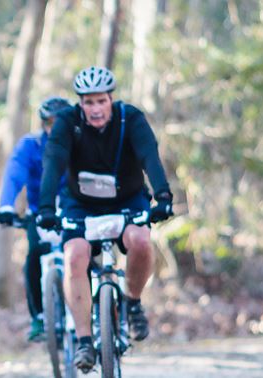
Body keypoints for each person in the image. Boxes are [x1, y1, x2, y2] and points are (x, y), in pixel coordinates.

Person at [34, 66, 177, 372]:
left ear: (111, 99)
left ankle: (133, 303)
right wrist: (45, 208)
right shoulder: (67, 123)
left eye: (101, 101)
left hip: (128, 198)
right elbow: (54, 162)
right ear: (80, 104)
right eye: (89, 102)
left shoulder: (131, 119)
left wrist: (163, 196)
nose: (96, 108)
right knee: (74, 255)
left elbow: (149, 156)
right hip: (81, 204)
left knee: (140, 240)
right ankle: (85, 341)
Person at [0, 96, 77, 342]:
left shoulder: (81, 144)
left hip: (75, 210)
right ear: (43, 124)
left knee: (83, 253)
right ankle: (39, 316)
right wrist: (6, 206)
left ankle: (97, 309)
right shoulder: (31, 145)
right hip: (39, 212)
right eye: (50, 122)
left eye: (61, 122)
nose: (55, 128)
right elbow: (14, 174)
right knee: (34, 256)